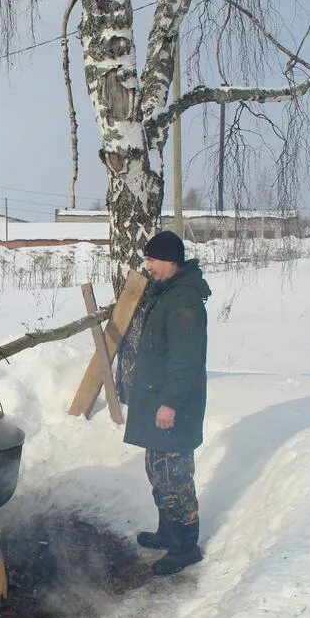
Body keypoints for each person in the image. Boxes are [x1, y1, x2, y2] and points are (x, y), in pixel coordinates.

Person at [122, 230, 212, 576]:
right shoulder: (169, 293)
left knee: (175, 476)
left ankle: (185, 546)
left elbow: (185, 360)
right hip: (159, 401)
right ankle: (167, 531)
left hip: (175, 407)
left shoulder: (183, 301)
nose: (149, 267)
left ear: (171, 260)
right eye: (147, 260)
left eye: (153, 260)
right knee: (158, 469)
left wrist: (170, 404)